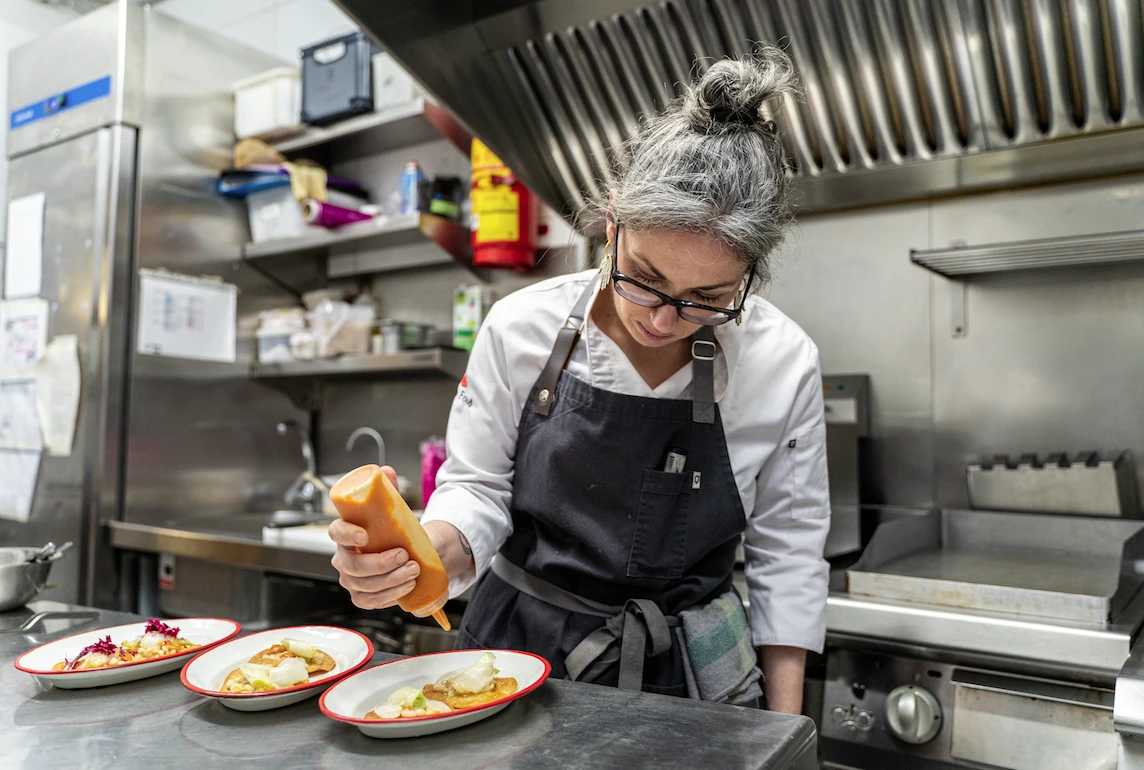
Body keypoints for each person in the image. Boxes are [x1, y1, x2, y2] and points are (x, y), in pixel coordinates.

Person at [329, 48, 830, 714]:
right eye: (645, 277)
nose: (661, 318)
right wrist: (416, 561)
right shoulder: (520, 328)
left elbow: (787, 557)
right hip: (514, 660)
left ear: (749, 276)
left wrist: (786, 735)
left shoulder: (782, 360)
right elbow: (476, 490)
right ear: (613, 220)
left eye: (705, 297)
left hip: (694, 680)